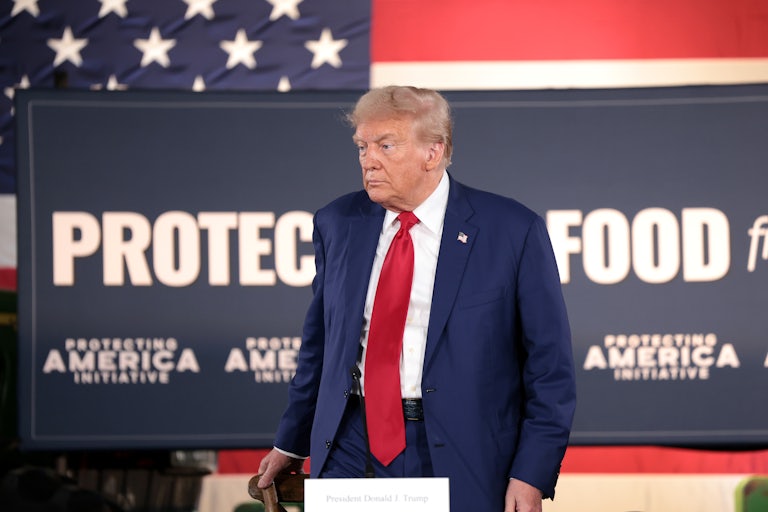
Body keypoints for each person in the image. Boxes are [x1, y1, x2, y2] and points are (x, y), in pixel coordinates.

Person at [258, 85, 576, 512]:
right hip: (352, 442)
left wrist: (531, 472)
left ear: (433, 152)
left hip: (463, 452)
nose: (369, 160)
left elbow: (549, 369)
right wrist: (291, 444)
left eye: (386, 146)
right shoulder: (337, 223)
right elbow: (320, 349)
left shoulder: (512, 231)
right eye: (362, 146)